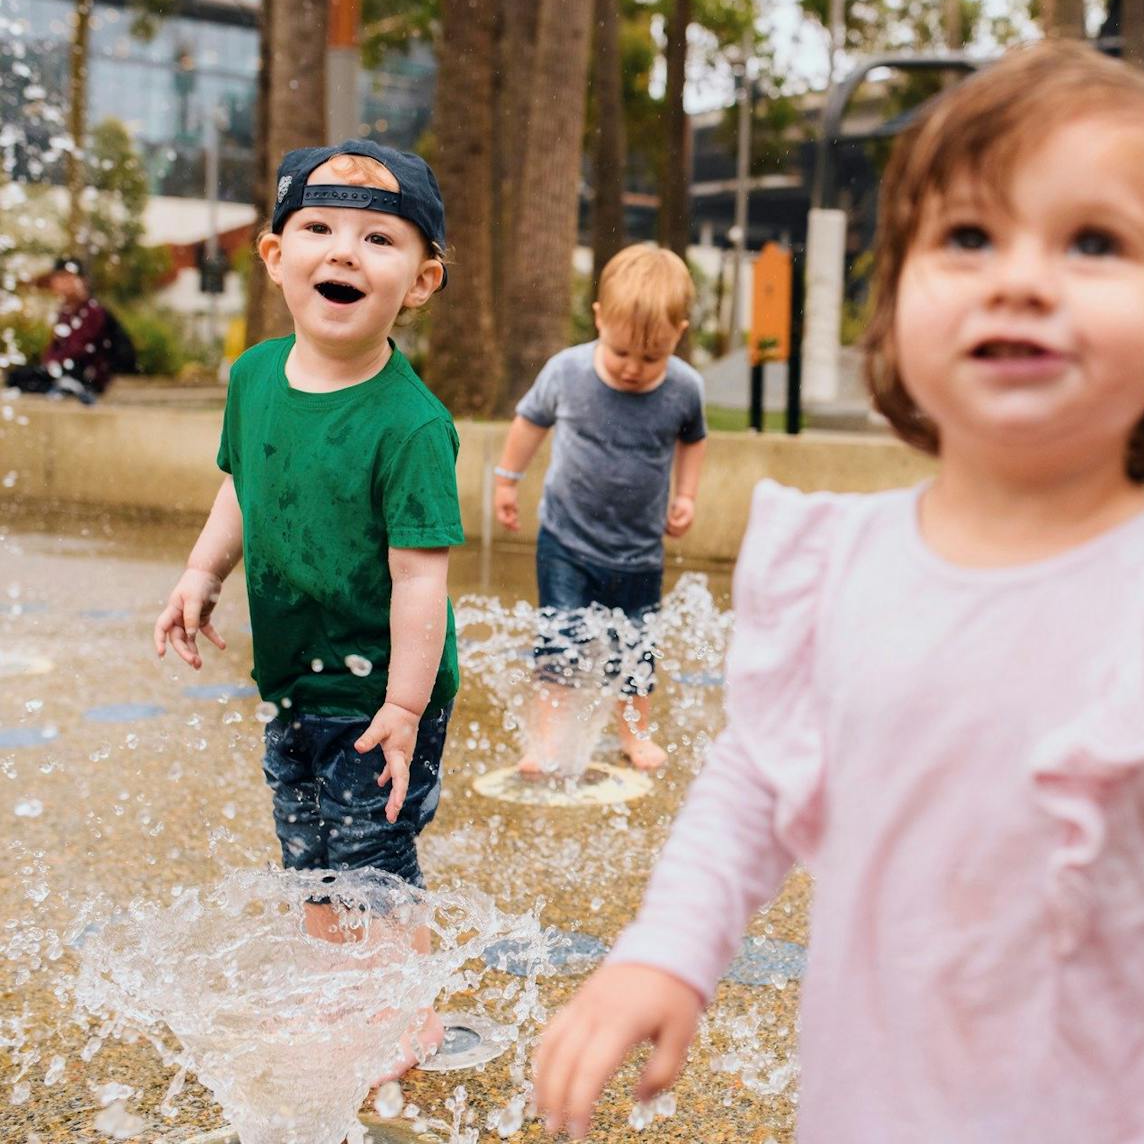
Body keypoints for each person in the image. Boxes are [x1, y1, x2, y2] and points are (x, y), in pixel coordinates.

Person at [531, 41, 1144, 1142]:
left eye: (1093, 242)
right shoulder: (839, 567)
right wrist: (666, 948)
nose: (1019, 276)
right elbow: (752, 786)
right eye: (967, 236)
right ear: (896, 308)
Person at [152, 140, 461, 1081]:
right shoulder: (253, 378)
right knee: (308, 850)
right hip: (291, 677)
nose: (344, 252)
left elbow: (421, 581)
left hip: (382, 695)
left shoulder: (408, 423)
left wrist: (405, 708)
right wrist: (203, 575)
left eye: (379, 238)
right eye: (318, 229)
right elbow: (244, 488)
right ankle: (337, 990)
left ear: (420, 281)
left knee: (374, 861)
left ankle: (408, 1015)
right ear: (275, 256)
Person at [493, 242, 707, 774]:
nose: (634, 368)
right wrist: (506, 480)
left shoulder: (685, 387)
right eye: (621, 353)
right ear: (599, 320)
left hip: (639, 550)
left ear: (678, 333)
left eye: (652, 356)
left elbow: (694, 440)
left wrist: (686, 496)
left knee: (636, 649)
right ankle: (546, 741)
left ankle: (634, 735)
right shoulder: (567, 372)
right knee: (559, 640)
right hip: (566, 540)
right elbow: (529, 422)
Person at [4, 257, 128, 403]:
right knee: (17, 376)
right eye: (59, 279)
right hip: (63, 370)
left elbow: (78, 349)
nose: (62, 284)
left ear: (82, 281)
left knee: (46, 375)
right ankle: (59, 386)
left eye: (68, 278)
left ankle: (69, 387)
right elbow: (55, 347)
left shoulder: (94, 311)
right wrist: (46, 365)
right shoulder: (65, 313)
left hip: (87, 375)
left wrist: (51, 365)